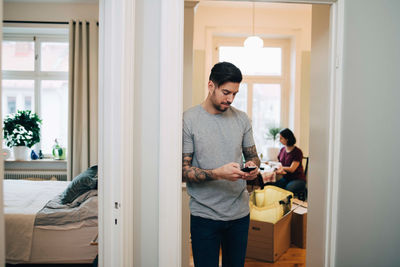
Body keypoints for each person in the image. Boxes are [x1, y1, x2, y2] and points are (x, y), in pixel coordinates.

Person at [182, 62, 260, 267]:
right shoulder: (189, 119)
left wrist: (253, 169)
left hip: (239, 215)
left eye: (235, 93)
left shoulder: (242, 119)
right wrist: (218, 173)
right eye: (226, 92)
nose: (230, 99)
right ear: (211, 86)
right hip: (204, 216)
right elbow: (183, 171)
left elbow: (252, 156)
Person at [273, 128, 306, 194]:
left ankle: (287, 203)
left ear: (287, 139)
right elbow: (280, 163)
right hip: (286, 179)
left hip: (298, 179)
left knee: (287, 190)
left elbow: (292, 169)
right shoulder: (282, 150)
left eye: (281, 138)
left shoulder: (297, 152)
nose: (279, 140)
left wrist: (281, 168)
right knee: (273, 187)